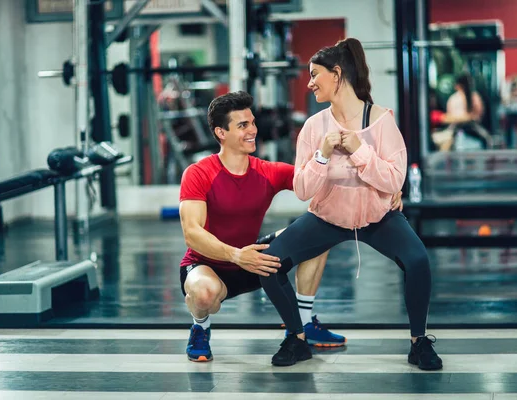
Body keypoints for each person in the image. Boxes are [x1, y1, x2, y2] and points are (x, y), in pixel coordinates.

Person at [258, 38, 443, 371]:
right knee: (268, 264)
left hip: (378, 218)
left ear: (337, 74)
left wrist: (359, 150)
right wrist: (323, 154)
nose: (310, 82)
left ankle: (419, 343)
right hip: (327, 218)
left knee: (418, 261)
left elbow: (394, 181)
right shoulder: (314, 127)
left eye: (316, 74)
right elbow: (301, 189)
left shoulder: (382, 120)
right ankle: (297, 339)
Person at [178, 91, 403, 362]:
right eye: (243, 125)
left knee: (319, 233)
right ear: (220, 132)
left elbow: (325, 178)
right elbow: (192, 233)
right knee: (204, 294)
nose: (253, 131)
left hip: (255, 259)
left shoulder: (267, 171)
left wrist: (387, 188)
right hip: (208, 264)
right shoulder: (199, 173)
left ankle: (304, 322)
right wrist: (237, 255)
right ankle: (200, 328)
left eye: (252, 123)